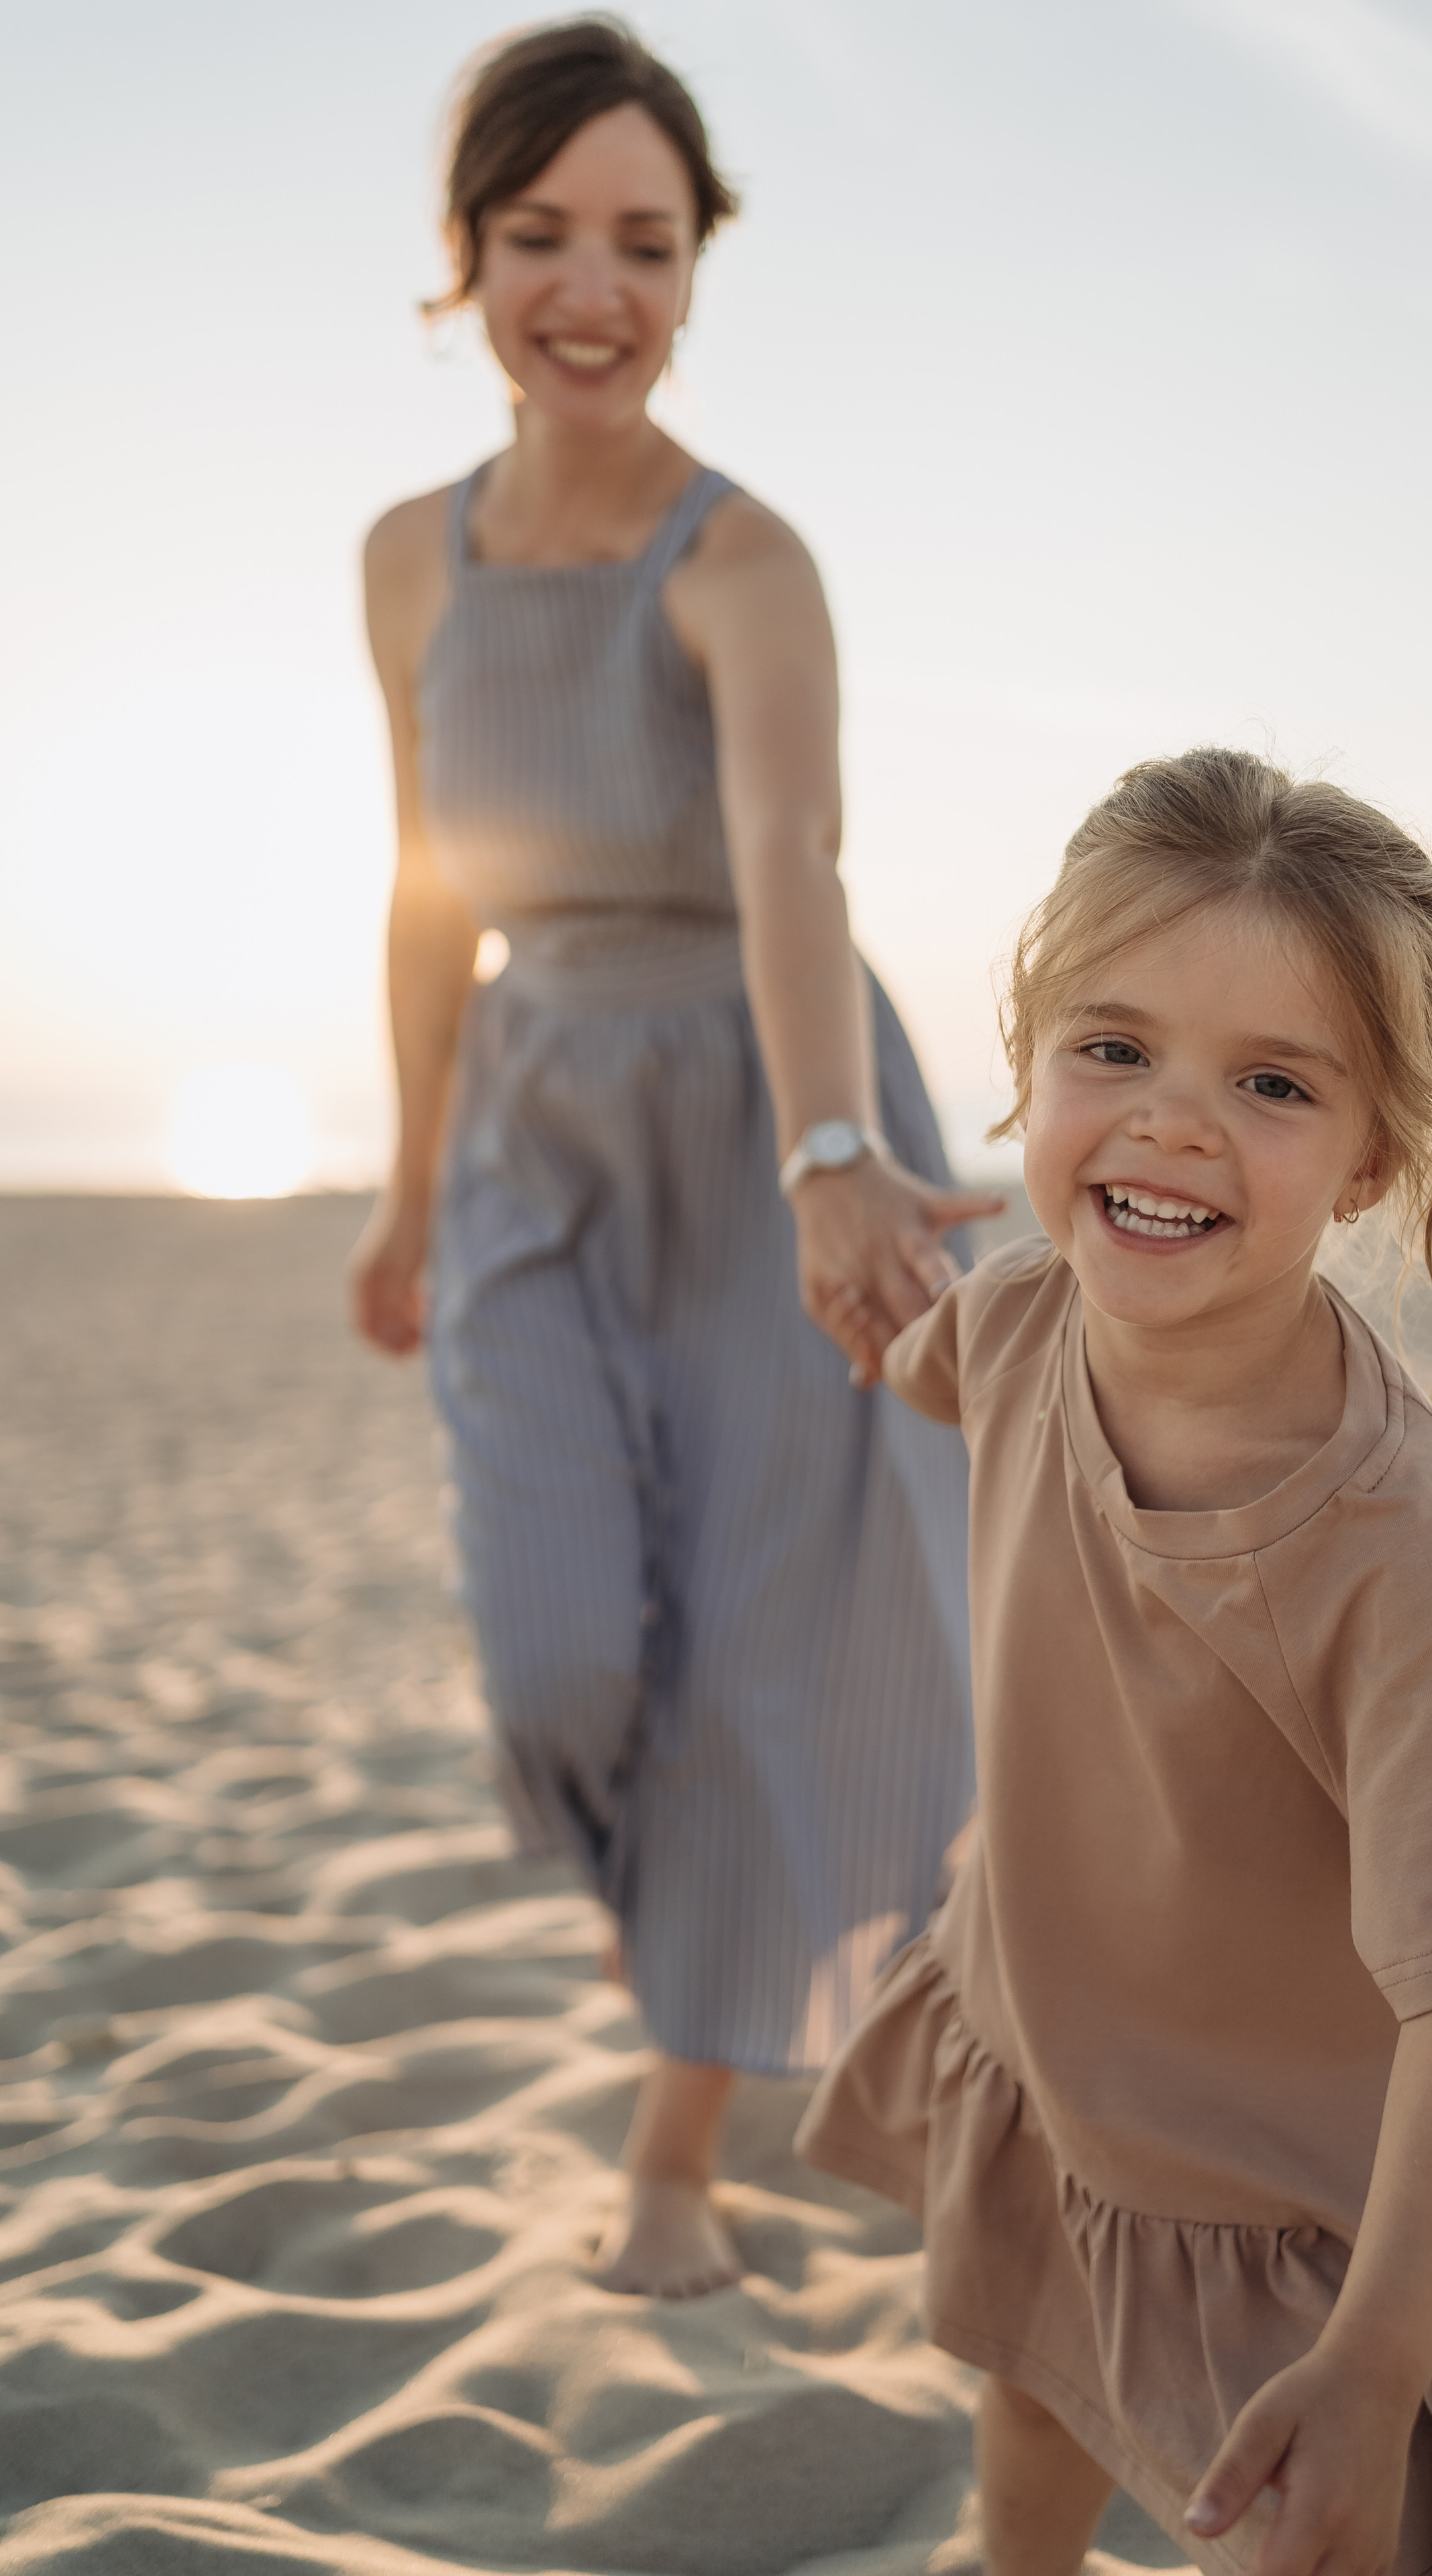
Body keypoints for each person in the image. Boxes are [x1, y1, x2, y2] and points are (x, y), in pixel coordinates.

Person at [797, 747, 1432, 2576]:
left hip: (1332, 2191)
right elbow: (919, 1358)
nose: (1172, 1125)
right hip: (1077, 2029)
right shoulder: (1016, 1318)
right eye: (1113, 1050)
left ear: (1375, 1156)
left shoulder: (1403, 1548)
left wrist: (1376, 2364)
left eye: (1271, 1084)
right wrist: (849, 1240)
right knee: (1037, 2376)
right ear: (1029, 1059)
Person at [349, 17, 999, 2301]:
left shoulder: (750, 563)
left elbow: (790, 864)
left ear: (698, 265)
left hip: (763, 1113)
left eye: (644, 241)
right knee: (556, 1661)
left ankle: (677, 2150)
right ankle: (733, 1981)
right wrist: (410, 1187)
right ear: (470, 255)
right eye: (542, 236)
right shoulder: (407, 559)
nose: (593, 290)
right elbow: (425, 892)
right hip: (535, 1126)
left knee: (745, 1648)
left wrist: (832, 1148)